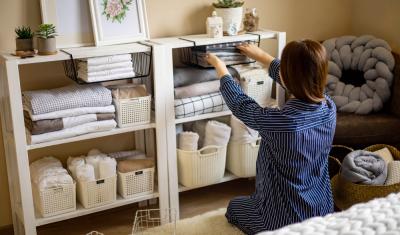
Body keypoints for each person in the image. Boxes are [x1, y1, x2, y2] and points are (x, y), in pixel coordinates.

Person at [205, 40, 336, 235]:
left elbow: (242, 105)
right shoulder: (329, 108)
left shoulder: (281, 122)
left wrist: (221, 69)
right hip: (322, 212)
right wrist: (262, 56)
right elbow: (298, 82)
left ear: (288, 76)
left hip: (282, 224)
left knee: (234, 207)